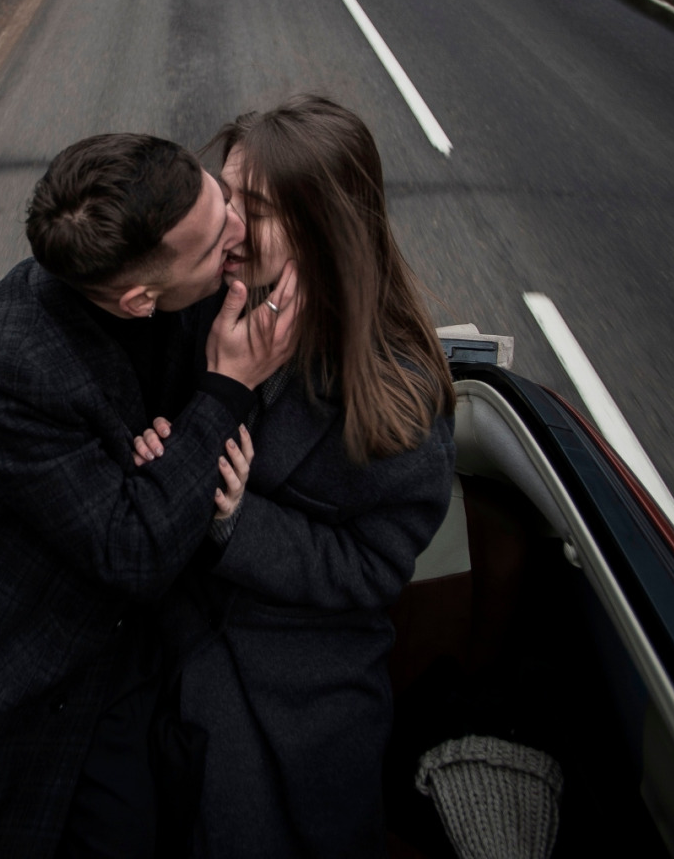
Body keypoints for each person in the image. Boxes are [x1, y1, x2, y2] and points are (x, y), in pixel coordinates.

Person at [0, 133, 301, 858]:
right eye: (214, 242)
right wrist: (225, 392)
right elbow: (134, 550)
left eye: (223, 199)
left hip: (133, 667)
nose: (235, 231)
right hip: (13, 678)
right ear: (140, 299)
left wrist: (174, 463)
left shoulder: (190, 282)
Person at [139, 95, 457, 857]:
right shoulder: (195, 309)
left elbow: (373, 568)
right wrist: (158, 447)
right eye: (227, 198)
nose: (227, 229)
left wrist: (240, 520)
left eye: (255, 210)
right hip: (168, 650)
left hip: (311, 689)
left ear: (324, 229)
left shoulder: (398, 397)